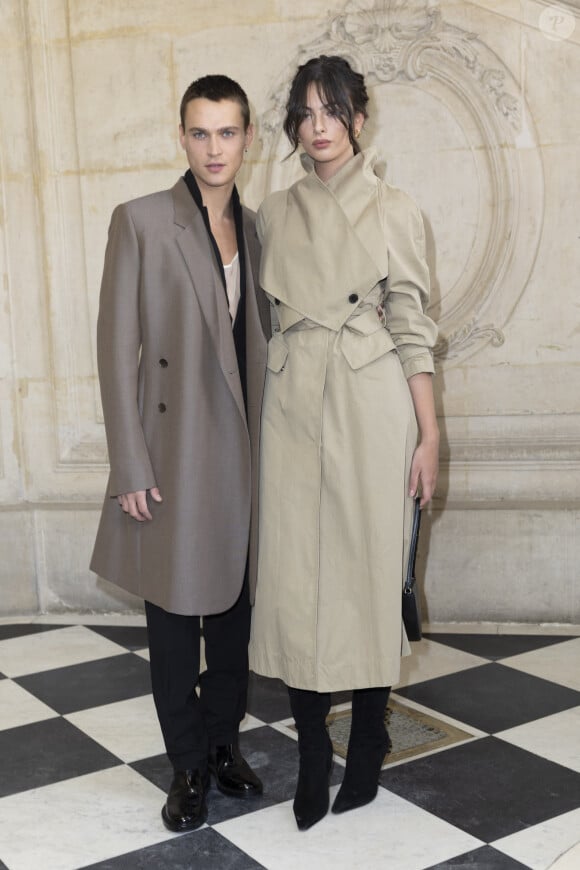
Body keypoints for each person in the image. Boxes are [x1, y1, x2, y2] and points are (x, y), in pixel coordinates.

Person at [249, 55, 439, 830]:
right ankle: (311, 755)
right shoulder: (273, 210)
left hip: (370, 400)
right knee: (294, 581)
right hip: (294, 399)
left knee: (363, 572)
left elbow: (414, 330)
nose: (317, 127)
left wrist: (431, 437)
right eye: (305, 113)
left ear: (360, 118)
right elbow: (262, 318)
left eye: (332, 111)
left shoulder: (398, 210)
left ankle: (366, 739)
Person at [90, 74, 270, 832]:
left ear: (247, 138)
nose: (213, 147)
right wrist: (129, 462)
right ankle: (187, 766)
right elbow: (113, 346)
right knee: (172, 619)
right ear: (182, 137)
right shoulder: (140, 220)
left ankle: (225, 743)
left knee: (233, 612)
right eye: (200, 132)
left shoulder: (258, 228)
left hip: (245, 448)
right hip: (172, 449)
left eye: (227, 132)